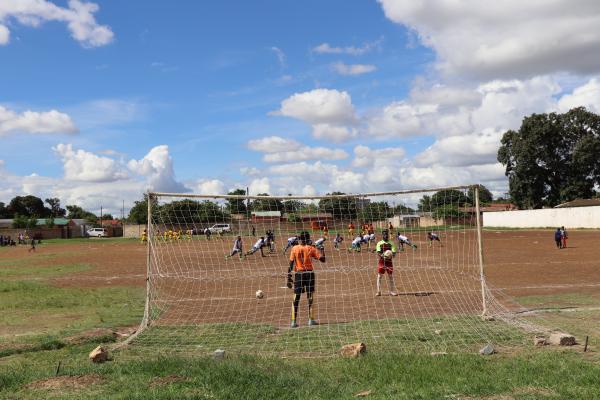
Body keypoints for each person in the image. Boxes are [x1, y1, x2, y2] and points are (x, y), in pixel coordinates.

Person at [288, 231, 325, 328]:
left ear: (300, 238)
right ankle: (311, 320)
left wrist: (288, 277)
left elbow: (291, 264)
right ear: (308, 239)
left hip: (299, 274)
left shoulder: (294, 248)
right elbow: (323, 259)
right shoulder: (311, 248)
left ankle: (293, 322)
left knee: (296, 298)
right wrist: (322, 250)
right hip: (309, 274)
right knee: (310, 297)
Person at [375, 230, 398, 297]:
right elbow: (378, 252)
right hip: (382, 262)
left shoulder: (391, 243)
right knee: (379, 276)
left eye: (386, 234)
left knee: (390, 276)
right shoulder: (379, 243)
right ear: (382, 235)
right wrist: (383, 256)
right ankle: (378, 291)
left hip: (389, 262)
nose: (386, 236)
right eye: (384, 234)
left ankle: (392, 291)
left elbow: (393, 253)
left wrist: (391, 255)